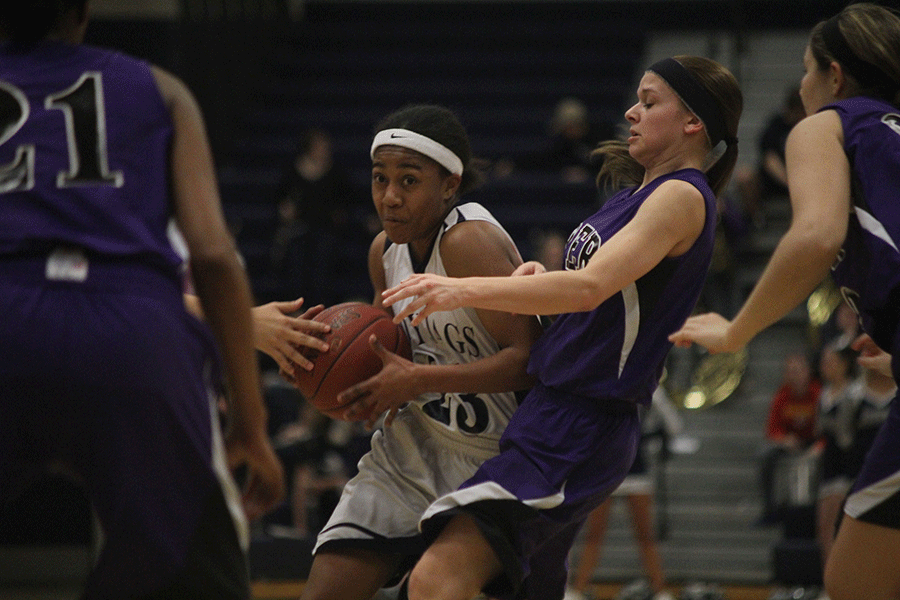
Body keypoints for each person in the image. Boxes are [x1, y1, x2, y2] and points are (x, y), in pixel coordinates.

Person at [383, 55, 743, 600]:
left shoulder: (682, 195)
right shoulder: (633, 197)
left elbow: (589, 288)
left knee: (437, 578)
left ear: (693, 122)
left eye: (649, 102)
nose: (631, 112)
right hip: (556, 411)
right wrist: (542, 279)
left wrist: (460, 288)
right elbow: (597, 298)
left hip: (583, 421)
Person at [0, 2, 284, 598]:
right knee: (188, 571)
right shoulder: (161, 89)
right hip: (128, 330)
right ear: (81, 11)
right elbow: (212, 257)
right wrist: (252, 425)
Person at [669, 5, 900, 600]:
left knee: (855, 581)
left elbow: (815, 236)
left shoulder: (828, 125)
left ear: (834, 74)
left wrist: (736, 331)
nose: (800, 86)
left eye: (805, 70)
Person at [295, 104, 543, 600]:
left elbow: (530, 365)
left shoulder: (468, 241)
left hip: (491, 461)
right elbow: (383, 358)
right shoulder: (383, 252)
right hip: (410, 451)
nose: (389, 197)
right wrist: (347, 385)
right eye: (379, 178)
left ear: (449, 184)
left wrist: (418, 381)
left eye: (409, 181)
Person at [567, 388, 682, 600]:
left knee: (645, 535)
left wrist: (650, 436)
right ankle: (578, 590)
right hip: (605, 471)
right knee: (594, 534)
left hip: (634, 472)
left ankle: (660, 590)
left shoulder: (651, 388)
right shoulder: (604, 382)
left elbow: (673, 425)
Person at [758, 352, 821, 525]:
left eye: (798, 371)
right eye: (790, 372)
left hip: (815, 442)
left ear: (808, 372)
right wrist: (784, 440)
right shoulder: (782, 396)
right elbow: (771, 430)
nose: (794, 376)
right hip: (791, 442)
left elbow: (826, 428)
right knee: (766, 456)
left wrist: (820, 445)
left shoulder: (818, 394)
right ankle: (771, 509)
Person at [813, 345, 861, 571]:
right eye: (824, 362)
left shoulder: (852, 394)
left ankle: (843, 579)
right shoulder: (823, 394)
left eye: (831, 362)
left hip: (846, 464)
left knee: (839, 525)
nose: (826, 367)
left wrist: (827, 426)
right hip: (828, 464)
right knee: (823, 526)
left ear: (843, 365)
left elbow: (845, 436)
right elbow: (817, 429)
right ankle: (828, 579)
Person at [734, 85, 805, 226]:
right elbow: (769, 159)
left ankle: (800, 224)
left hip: (802, 179)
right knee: (744, 176)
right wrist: (788, 181)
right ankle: (755, 221)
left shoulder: (810, 125)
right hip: (775, 179)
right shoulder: (777, 124)